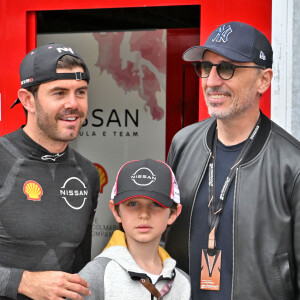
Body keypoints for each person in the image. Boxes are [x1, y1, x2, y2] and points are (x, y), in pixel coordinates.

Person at [164, 21, 300, 299]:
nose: (212, 81)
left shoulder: (292, 164)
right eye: (205, 68)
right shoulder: (183, 143)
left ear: (264, 79)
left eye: (227, 68)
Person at [0, 43, 100, 299]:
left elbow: (79, 268)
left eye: (80, 92)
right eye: (59, 93)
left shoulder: (87, 172)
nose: (73, 104)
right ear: (27, 100)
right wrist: (21, 282)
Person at [76, 159, 191, 299]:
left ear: (173, 213)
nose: (144, 214)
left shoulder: (183, 284)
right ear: (116, 211)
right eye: (133, 203)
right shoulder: (96, 275)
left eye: (156, 204)